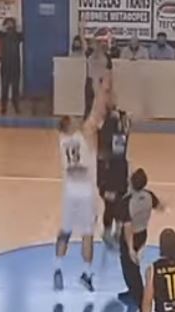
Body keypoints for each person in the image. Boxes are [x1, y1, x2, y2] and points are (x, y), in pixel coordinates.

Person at [53, 65, 112, 292]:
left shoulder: (62, 140)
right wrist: (101, 88)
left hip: (70, 191)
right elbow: (98, 111)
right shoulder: (84, 134)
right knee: (87, 233)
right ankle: (86, 274)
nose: (78, 119)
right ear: (70, 125)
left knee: (66, 230)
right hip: (85, 191)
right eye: (73, 119)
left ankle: (57, 266)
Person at [118, 168, 164, 311]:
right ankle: (133, 291)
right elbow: (160, 207)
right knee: (135, 265)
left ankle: (141, 302)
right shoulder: (149, 195)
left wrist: (130, 248)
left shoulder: (127, 201)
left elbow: (127, 228)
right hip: (143, 234)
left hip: (130, 238)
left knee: (130, 269)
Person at [97, 104, 131, 246]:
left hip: (116, 172)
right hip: (112, 173)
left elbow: (117, 149)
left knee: (117, 204)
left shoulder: (117, 124)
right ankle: (109, 232)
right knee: (112, 205)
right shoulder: (110, 125)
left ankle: (117, 231)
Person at [0, 17, 23, 115]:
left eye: (11, 23)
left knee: (15, 87)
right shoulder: (2, 35)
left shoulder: (17, 35)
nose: (10, 25)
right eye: (8, 23)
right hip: (5, 65)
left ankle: (16, 106)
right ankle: (4, 107)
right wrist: (3, 28)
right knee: (4, 87)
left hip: (15, 65)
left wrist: (18, 28)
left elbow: (23, 37)